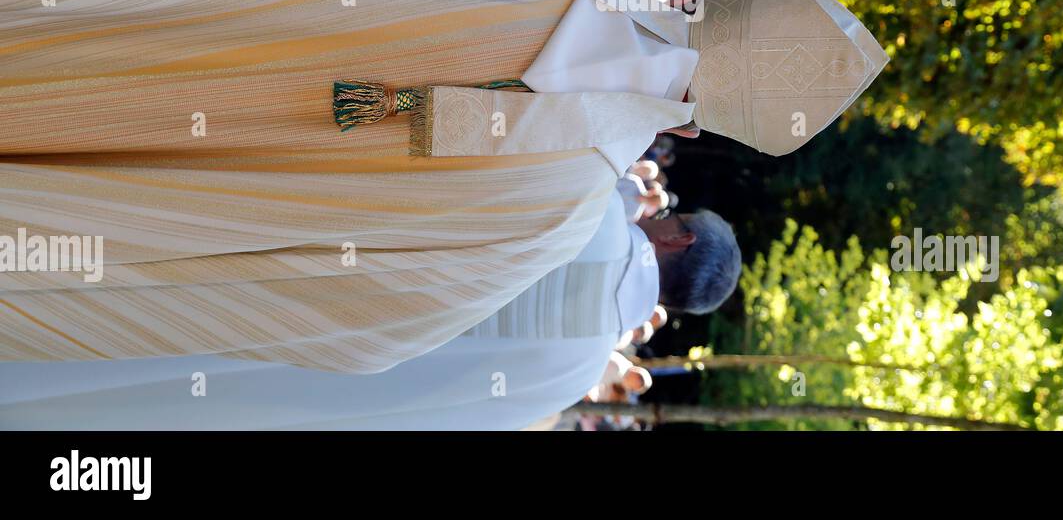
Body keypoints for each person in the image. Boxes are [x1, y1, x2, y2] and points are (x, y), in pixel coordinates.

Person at [0, 0, 889, 372]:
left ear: (700, 3)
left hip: (101, 15)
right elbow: (358, 331)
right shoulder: (548, 217)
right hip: (105, 201)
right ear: (693, 130)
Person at [0, 188, 738, 429]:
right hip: (296, 388)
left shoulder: (590, 212)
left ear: (674, 239)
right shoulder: (570, 379)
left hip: (306, 257)